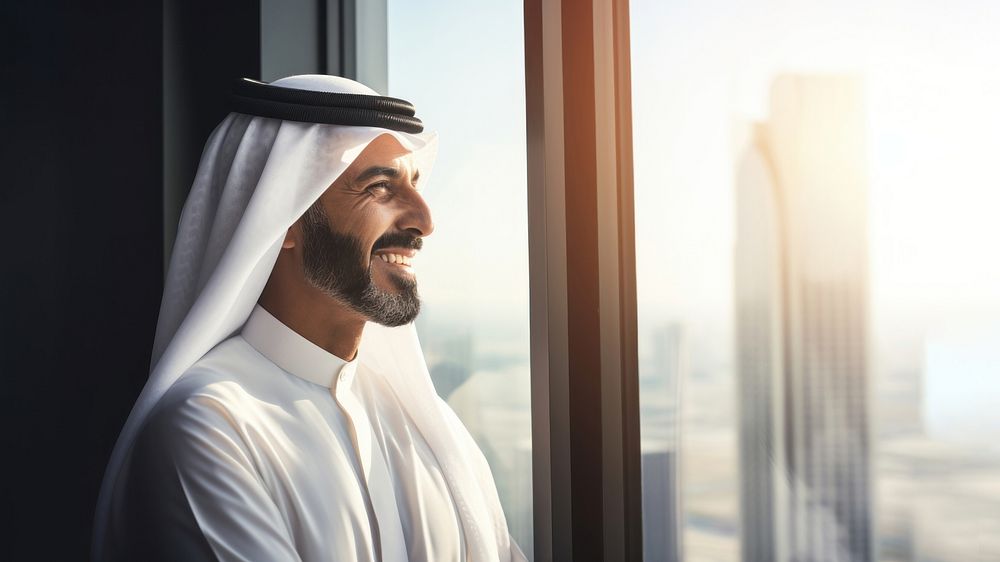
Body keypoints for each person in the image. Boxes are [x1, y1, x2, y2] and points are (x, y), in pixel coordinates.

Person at [93, 75, 526, 562]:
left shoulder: (429, 427)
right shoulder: (210, 427)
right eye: (381, 188)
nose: (423, 221)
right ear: (285, 217)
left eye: (416, 185)